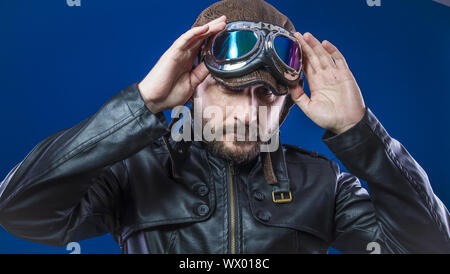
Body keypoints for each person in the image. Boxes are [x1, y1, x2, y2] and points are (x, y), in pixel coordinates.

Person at [0, 0, 449, 254]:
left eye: (268, 95)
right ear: (193, 88)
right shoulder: (132, 172)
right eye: (231, 91)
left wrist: (360, 132)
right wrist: (142, 103)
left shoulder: (324, 183)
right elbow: (20, 211)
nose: (250, 114)